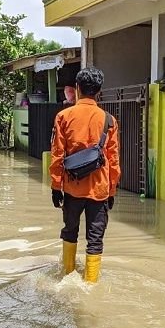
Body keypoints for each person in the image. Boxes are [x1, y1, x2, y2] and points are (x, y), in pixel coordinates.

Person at [49, 67, 120, 283]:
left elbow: (57, 155)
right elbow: (114, 160)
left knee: (70, 231)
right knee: (95, 239)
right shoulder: (109, 120)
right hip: (99, 191)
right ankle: (91, 284)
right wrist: (111, 190)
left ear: (77, 88)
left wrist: (56, 187)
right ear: (99, 91)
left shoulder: (63, 116)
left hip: (71, 188)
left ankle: (67, 275)